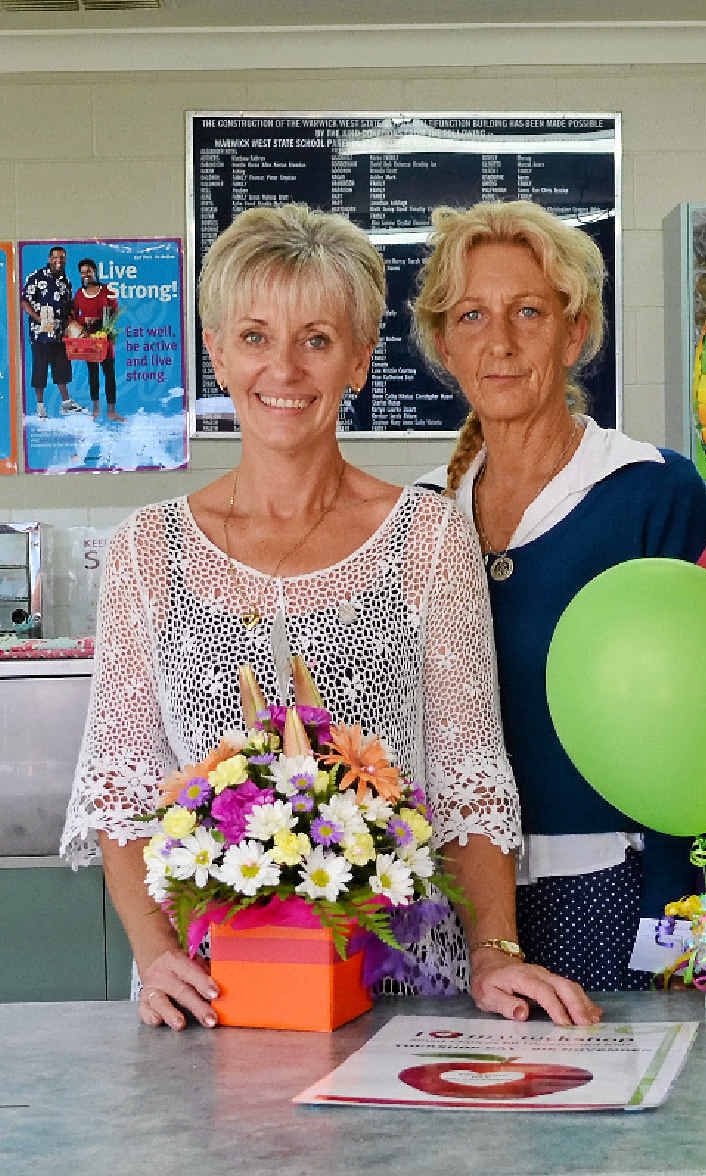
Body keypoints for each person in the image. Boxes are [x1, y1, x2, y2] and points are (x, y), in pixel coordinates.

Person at [60, 203, 598, 1031]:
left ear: (357, 360)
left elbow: (469, 780)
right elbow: (122, 792)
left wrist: (495, 952)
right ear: (216, 354)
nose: (284, 368)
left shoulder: (427, 537)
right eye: (255, 337)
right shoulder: (147, 550)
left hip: (403, 993)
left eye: (315, 339)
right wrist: (157, 955)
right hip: (210, 999)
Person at [413, 200, 706, 991]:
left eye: (528, 312)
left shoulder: (649, 490)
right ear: (444, 345)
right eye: (471, 316)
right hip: (449, 903)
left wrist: (675, 925)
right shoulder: (420, 514)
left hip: (610, 888)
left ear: (573, 333)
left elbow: (702, 727)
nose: (500, 342)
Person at [20, 245, 87, 419]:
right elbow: (24, 301)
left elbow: (69, 308)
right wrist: (38, 318)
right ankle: (40, 406)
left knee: (62, 368)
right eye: (56, 257)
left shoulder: (66, 282)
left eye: (62, 258)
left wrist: (75, 326)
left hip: (59, 334)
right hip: (40, 333)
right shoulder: (36, 277)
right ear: (50, 259)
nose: (59, 260)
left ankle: (66, 404)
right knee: (40, 368)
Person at [73, 257, 124, 422]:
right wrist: (84, 321)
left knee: (109, 374)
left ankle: (111, 411)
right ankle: (95, 409)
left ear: (95, 271)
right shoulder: (79, 294)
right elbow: (74, 315)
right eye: (82, 272)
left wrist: (100, 322)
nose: (86, 275)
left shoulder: (107, 290)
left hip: (105, 339)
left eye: (88, 271)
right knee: (93, 373)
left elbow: (115, 312)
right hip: (89, 340)